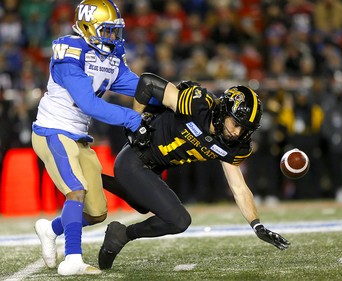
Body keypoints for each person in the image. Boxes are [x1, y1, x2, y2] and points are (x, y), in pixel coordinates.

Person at [98, 73, 290, 270]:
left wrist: (257, 225)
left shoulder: (234, 145)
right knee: (179, 220)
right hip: (134, 160)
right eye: (236, 123)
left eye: (245, 129)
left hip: (152, 171)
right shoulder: (198, 105)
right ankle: (121, 235)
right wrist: (134, 123)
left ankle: (97, 180)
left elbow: (239, 188)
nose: (237, 133)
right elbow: (147, 82)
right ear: (223, 111)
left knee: (142, 205)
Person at [31, 0, 158, 276]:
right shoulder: (70, 51)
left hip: (78, 135)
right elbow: (87, 103)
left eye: (114, 31)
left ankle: (50, 229)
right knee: (75, 189)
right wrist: (132, 118)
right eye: (107, 30)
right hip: (53, 129)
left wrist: (174, 98)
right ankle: (72, 260)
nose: (112, 37)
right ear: (88, 27)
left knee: (97, 212)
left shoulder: (110, 57)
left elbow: (139, 87)